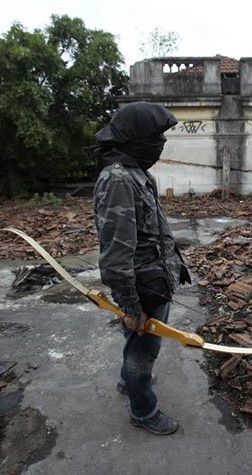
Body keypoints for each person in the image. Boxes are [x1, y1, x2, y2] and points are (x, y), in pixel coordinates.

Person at [91, 102, 191, 435]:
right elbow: (116, 256)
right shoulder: (119, 179)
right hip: (142, 285)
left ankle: (128, 381)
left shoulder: (137, 172)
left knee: (137, 344)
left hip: (153, 279)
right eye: (155, 136)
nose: (160, 143)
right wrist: (131, 306)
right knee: (143, 348)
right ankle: (143, 410)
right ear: (135, 137)